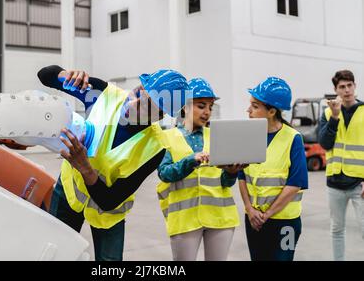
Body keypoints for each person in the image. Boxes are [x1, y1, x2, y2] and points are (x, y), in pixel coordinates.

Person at [38, 66, 188, 261]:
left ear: (159, 117)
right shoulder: (102, 94)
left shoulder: (155, 148)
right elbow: (44, 76)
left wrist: (85, 167)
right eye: (139, 92)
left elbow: (109, 201)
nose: (134, 103)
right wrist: (66, 74)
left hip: (108, 213)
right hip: (70, 192)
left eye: (148, 106)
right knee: (56, 252)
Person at [156, 78, 240, 261]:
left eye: (210, 107)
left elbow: (225, 182)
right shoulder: (167, 137)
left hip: (220, 217)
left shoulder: (218, 135)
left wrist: (232, 173)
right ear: (185, 107)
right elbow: (164, 174)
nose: (207, 112)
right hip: (184, 219)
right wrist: (190, 160)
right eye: (201, 106)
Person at [226, 77, 308, 261]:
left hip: (286, 222)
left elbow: (295, 183)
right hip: (254, 221)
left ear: (272, 111)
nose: (248, 110)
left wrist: (267, 214)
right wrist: (249, 209)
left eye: (255, 106)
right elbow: (242, 176)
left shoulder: (293, 139)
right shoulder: (247, 136)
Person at [318, 69, 364, 261]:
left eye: (349, 85)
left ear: (355, 86)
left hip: (359, 185)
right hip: (335, 182)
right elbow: (324, 143)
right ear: (336, 90)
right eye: (342, 87)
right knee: (337, 230)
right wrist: (335, 118)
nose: (346, 90)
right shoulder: (328, 113)